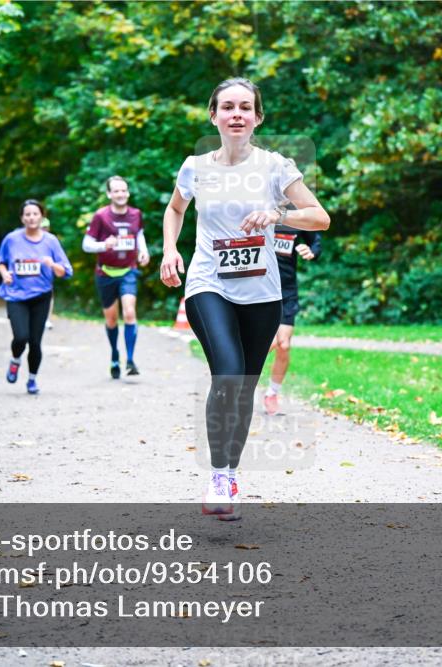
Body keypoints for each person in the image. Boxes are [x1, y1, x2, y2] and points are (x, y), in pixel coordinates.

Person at [160, 77, 330, 519]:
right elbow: (176, 209)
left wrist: (277, 212)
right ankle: (218, 476)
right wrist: (169, 249)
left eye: (245, 107)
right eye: (227, 107)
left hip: (261, 292)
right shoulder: (195, 166)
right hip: (208, 282)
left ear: (257, 117)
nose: (236, 114)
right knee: (229, 374)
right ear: (213, 115)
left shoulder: (275, 166)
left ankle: (231, 472)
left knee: (246, 386)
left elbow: (320, 217)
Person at [0, 200, 74, 394]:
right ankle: (15, 360)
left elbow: (65, 271)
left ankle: (32, 379)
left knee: (35, 342)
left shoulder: (51, 241)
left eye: (35, 214)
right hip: (16, 296)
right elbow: (0, 262)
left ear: (42, 216)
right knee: (21, 337)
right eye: (27, 214)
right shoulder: (12, 239)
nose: (31, 218)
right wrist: (4, 273)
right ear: (22, 218)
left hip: (41, 297)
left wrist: (52, 264)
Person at [83, 175, 150, 379]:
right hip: (105, 273)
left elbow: (139, 235)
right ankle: (114, 355)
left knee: (129, 313)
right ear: (109, 194)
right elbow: (86, 244)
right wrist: (104, 245)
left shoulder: (136, 214)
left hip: (128, 270)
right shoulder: (100, 216)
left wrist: (143, 251)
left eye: (123, 190)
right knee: (111, 320)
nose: (120, 194)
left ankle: (130, 360)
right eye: (116, 191)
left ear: (128, 192)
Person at [263, 218, 322, 415]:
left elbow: (316, 241)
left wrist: (311, 251)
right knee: (267, 342)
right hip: (260, 288)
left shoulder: (298, 214)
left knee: (284, 344)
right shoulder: (257, 207)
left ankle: (272, 393)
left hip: (287, 290)